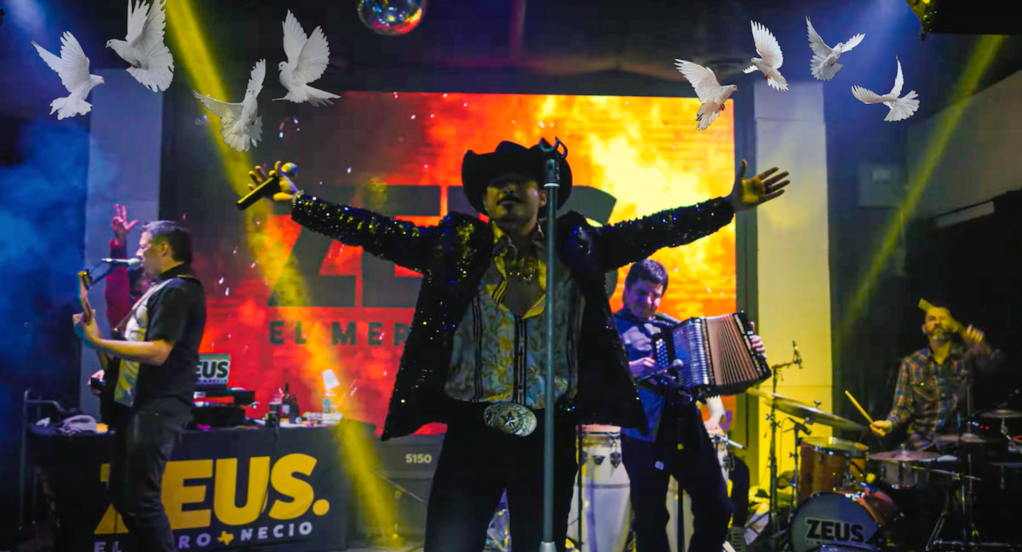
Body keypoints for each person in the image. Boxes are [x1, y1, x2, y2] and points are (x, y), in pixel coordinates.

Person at [248, 141, 790, 552]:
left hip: (548, 434)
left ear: (542, 195)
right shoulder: (457, 247)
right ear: (484, 200)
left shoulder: (580, 246)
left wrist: (727, 205)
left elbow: (656, 230)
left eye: (520, 183)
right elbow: (378, 231)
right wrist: (302, 205)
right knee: (449, 543)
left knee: (538, 544)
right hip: (472, 430)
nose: (506, 191)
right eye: (496, 185)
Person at [74, 221, 206, 552]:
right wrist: (111, 375)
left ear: (164, 248)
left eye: (143, 245)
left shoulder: (177, 290)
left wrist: (97, 343)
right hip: (142, 406)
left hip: (157, 407)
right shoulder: (163, 289)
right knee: (124, 495)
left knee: (139, 502)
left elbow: (158, 352)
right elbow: (138, 351)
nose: (139, 253)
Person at [614, 259, 763, 552]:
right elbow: (593, 376)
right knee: (650, 520)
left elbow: (709, 374)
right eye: (642, 293)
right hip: (643, 434)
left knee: (718, 506)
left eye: (655, 295)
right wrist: (631, 369)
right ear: (626, 290)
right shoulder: (612, 329)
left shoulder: (672, 327)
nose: (649, 301)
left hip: (686, 427)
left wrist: (749, 352)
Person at [870, 303, 1002, 450]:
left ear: (953, 327)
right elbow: (902, 407)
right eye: (932, 319)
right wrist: (888, 424)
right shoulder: (911, 363)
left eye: (943, 318)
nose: (937, 322)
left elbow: (993, 368)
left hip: (960, 445)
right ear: (924, 328)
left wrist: (983, 348)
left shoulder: (967, 357)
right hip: (921, 446)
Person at [90, 204, 148, 423]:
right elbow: (116, 289)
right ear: (137, 286)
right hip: (130, 403)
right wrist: (119, 245)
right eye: (148, 279)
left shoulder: (167, 305)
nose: (154, 284)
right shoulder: (129, 310)